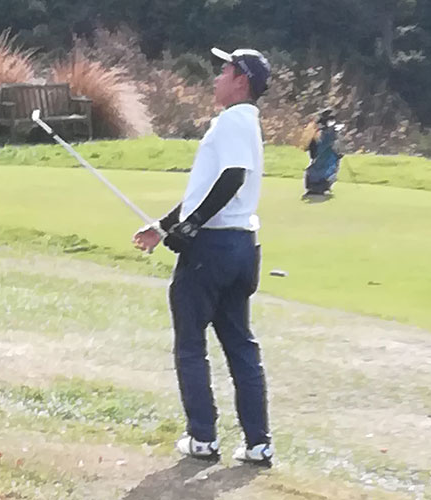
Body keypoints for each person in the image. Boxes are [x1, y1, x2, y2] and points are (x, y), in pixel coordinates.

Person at [132, 47, 273, 464]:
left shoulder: (232, 121)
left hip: (212, 249)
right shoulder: (247, 123)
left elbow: (231, 177)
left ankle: (203, 438)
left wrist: (191, 228)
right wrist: (164, 227)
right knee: (241, 347)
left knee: (191, 345)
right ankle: (258, 442)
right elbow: (205, 192)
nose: (217, 78)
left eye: (224, 71)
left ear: (241, 81)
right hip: (242, 247)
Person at [303, 109, 343, 197]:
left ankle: (317, 186)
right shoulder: (324, 131)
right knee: (326, 168)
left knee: (324, 168)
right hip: (324, 156)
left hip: (325, 156)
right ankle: (319, 186)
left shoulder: (322, 130)